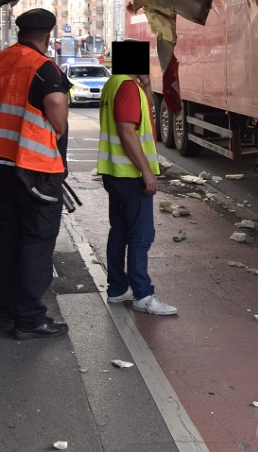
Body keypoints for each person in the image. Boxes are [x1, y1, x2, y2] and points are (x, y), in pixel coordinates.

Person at [0, 8, 71, 340]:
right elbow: (56, 112)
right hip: (35, 172)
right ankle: (31, 319)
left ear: (20, 33)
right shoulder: (44, 69)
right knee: (36, 241)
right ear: (47, 37)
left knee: (8, 240)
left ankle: (3, 313)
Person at [97, 40, 177, 316]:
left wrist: (144, 83)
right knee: (141, 235)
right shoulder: (128, 88)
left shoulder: (114, 83)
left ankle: (118, 288)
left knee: (119, 232)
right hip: (130, 176)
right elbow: (127, 131)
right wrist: (146, 171)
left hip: (114, 173)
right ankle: (143, 294)